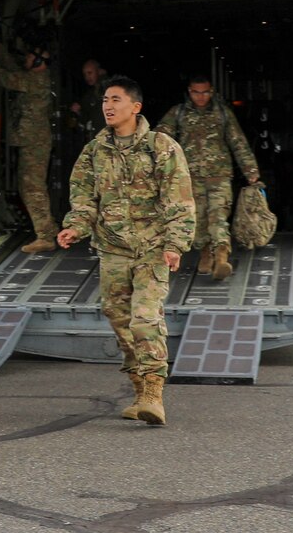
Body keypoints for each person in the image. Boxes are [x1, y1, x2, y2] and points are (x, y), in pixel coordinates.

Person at [57, 75, 194, 425]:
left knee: (145, 318)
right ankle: (138, 388)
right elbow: (84, 197)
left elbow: (179, 200)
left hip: (152, 248)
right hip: (113, 250)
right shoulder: (94, 150)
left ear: (136, 107)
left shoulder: (161, 147)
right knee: (119, 321)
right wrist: (76, 226)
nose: (108, 105)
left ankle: (153, 394)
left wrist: (175, 244)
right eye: (105, 99)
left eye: (116, 99)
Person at [157, 75, 264, 279]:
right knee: (197, 219)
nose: (201, 96)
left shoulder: (222, 113)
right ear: (189, 91)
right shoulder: (178, 113)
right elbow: (161, 137)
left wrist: (251, 172)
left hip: (220, 175)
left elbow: (237, 142)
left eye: (205, 92)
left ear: (212, 91)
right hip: (189, 177)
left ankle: (221, 257)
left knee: (218, 217)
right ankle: (205, 254)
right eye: (196, 92)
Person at [0, 34, 59, 253]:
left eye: (28, 58)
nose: (24, 61)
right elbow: (11, 66)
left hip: (34, 141)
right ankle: (48, 228)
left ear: (37, 62)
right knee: (30, 186)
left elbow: (6, 78)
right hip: (32, 140)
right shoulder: (33, 78)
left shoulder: (36, 80)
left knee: (32, 187)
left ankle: (45, 236)